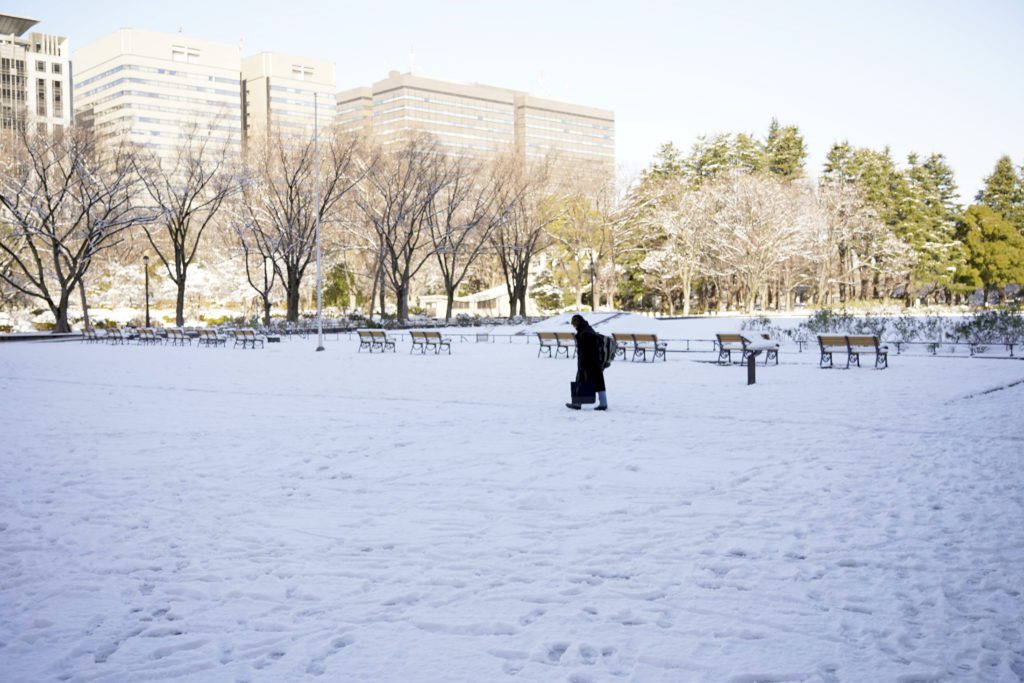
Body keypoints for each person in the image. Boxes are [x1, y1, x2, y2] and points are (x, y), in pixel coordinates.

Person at [566, 314, 608, 411]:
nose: (574, 325)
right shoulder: (588, 329)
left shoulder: (584, 333)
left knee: (581, 380)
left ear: (578, 322)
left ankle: (577, 403)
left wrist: (581, 365)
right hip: (596, 361)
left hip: (587, 362)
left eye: (575, 323)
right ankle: (603, 403)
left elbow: (584, 351)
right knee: (599, 382)